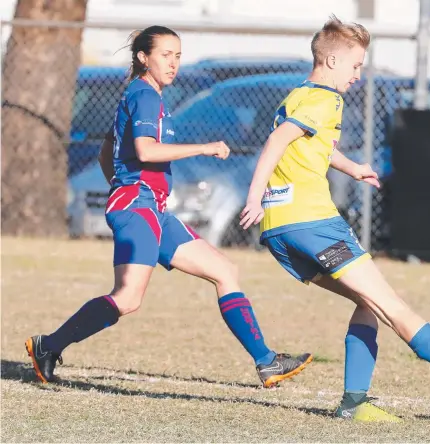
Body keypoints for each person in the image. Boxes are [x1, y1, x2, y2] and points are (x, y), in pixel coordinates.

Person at [239, 15, 430, 421]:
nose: (359, 74)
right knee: (393, 307)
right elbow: (276, 142)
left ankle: (354, 403)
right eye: (356, 65)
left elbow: (312, 145)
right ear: (330, 62)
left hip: (280, 230)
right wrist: (252, 195)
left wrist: (351, 167)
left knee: (367, 303)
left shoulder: (299, 96)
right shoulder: (325, 97)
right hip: (314, 223)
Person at [25, 25, 312, 389]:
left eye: (177, 55)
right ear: (144, 58)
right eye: (165, 55)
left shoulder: (144, 95)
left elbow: (106, 150)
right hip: (139, 209)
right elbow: (145, 151)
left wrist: (122, 186)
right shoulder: (144, 95)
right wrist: (201, 149)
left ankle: (267, 361)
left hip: (151, 209)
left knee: (224, 269)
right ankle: (48, 346)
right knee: (128, 298)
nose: (173, 63)